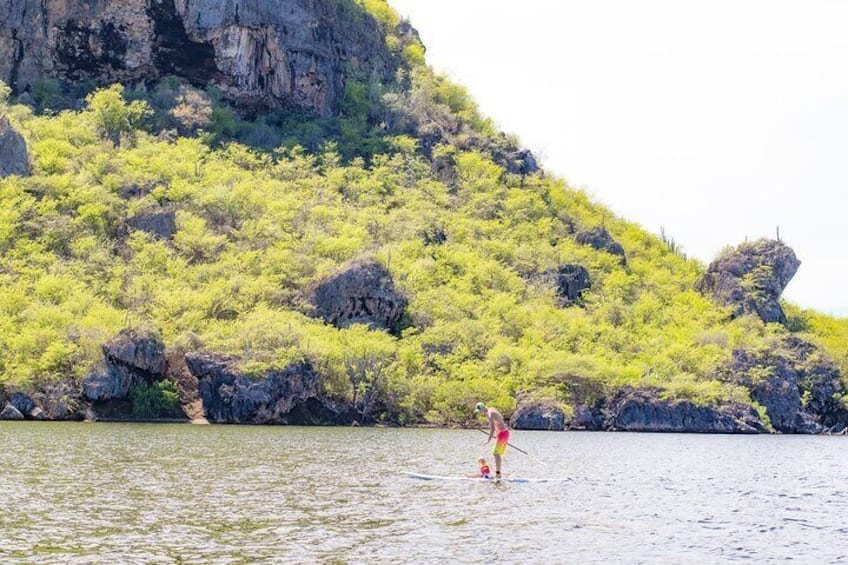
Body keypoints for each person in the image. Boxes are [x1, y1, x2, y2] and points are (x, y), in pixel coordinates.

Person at [476, 401, 509, 478]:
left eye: (480, 411)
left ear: (483, 408)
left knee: (496, 453)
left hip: (502, 434)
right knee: (497, 453)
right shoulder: (492, 409)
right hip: (504, 433)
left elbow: (492, 428)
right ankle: (499, 472)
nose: (481, 413)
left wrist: (488, 440)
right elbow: (500, 420)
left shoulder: (490, 414)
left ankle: (498, 473)